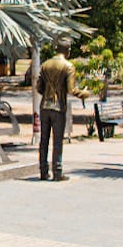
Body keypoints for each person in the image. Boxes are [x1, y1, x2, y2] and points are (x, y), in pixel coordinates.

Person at [37, 39, 86, 181]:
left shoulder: (45, 65)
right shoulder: (68, 66)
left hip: (44, 106)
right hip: (58, 108)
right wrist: (83, 94)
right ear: (67, 50)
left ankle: (43, 171)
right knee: (57, 140)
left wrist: (47, 95)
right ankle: (57, 172)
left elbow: (38, 87)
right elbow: (71, 89)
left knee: (43, 140)